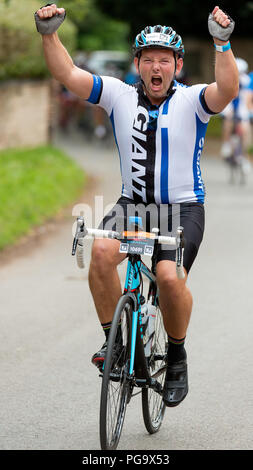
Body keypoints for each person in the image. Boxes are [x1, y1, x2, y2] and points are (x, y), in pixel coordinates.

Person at [35, 4, 239, 407]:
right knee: (101, 254)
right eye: (149, 59)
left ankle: (177, 356)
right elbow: (68, 75)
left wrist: (222, 42)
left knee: (167, 277)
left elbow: (227, 89)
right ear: (138, 64)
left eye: (165, 59)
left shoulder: (194, 100)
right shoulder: (119, 96)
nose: (156, 66)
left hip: (183, 208)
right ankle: (117, 345)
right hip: (134, 204)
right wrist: (48, 34)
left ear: (178, 65)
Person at [220, 57, 252, 172]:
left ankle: (244, 156)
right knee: (228, 120)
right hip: (229, 105)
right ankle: (226, 144)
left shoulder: (247, 80)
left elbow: (248, 97)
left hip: (242, 107)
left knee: (246, 130)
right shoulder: (227, 78)